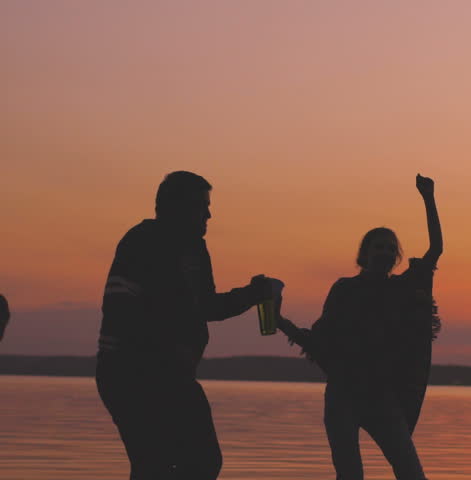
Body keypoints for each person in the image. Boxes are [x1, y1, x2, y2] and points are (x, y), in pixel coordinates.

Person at [95, 171, 282, 480]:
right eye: (202, 205)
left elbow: (206, 306)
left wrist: (251, 294)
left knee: (204, 462)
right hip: (129, 373)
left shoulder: (195, 249)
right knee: (154, 465)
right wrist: (162, 352)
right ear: (174, 206)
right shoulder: (141, 242)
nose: (209, 214)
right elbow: (121, 309)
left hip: (175, 375)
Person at [278, 174, 442, 480]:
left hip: (383, 397)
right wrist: (280, 323)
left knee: (411, 472)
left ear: (396, 257)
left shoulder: (403, 289)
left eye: (390, 248)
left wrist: (428, 198)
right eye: (378, 247)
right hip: (343, 394)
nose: (384, 252)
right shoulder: (344, 290)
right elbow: (320, 340)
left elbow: (435, 250)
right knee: (350, 474)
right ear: (364, 254)